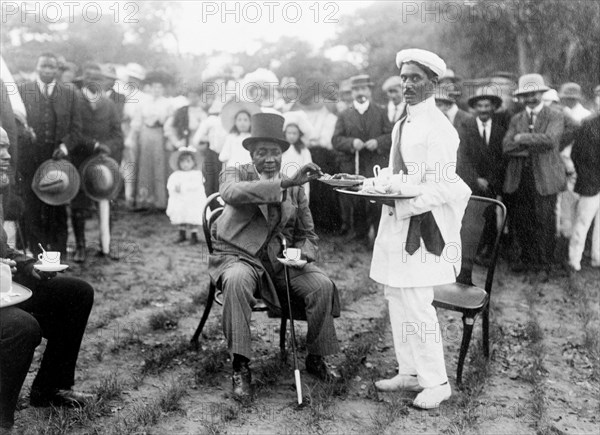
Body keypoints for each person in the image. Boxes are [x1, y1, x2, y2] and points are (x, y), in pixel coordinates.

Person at [208, 113, 340, 400]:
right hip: (239, 256)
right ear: (250, 154)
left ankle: (316, 356)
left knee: (322, 286)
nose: (269, 159)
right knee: (237, 282)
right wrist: (283, 185)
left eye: (275, 153)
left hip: (280, 262)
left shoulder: (294, 185)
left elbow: (309, 233)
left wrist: (303, 254)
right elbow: (229, 193)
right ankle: (240, 366)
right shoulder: (235, 172)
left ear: (283, 153)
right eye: (261, 153)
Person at [370, 49, 471, 409]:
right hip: (398, 222)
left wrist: (405, 201)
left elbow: (445, 185)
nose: (408, 84)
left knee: (417, 302)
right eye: (405, 77)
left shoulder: (440, 129)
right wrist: (379, 187)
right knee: (396, 296)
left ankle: (437, 382)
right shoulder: (402, 123)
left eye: (416, 78)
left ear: (434, 83)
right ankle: (410, 370)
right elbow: (401, 174)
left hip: (425, 228)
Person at [0, 127, 95, 432]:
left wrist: (30, 265)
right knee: (22, 326)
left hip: (5, 289)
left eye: (7, 149)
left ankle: (51, 389)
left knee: (75, 292)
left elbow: (3, 250)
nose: (7, 156)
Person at [18, 52, 82, 259]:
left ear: (57, 70)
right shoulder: (23, 90)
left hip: (58, 160)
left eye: (51, 67)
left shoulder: (69, 94)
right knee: (32, 206)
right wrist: (25, 134)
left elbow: (76, 129)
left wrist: (64, 147)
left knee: (57, 206)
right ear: (37, 67)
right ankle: (37, 255)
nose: (47, 70)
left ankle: (58, 254)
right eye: (43, 66)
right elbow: (15, 124)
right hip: (30, 159)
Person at [502, 73, 566, 273]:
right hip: (521, 177)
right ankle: (527, 259)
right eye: (526, 95)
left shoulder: (555, 115)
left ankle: (545, 260)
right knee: (523, 220)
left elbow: (550, 141)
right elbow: (506, 146)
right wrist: (531, 144)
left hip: (545, 177)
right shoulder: (517, 118)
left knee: (545, 220)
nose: (530, 98)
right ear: (521, 97)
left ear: (541, 93)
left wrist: (521, 137)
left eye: (534, 94)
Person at [71, 63, 123, 262]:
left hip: (103, 162)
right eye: (90, 78)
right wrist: (93, 145)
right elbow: (73, 133)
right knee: (79, 206)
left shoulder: (109, 105)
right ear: (83, 80)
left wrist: (107, 147)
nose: (94, 82)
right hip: (80, 159)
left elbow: (118, 134)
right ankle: (80, 247)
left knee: (105, 201)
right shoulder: (75, 101)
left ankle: (106, 246)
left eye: (98, 79)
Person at [332, 74, 393, 243]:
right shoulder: (344, 115)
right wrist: (352, 142)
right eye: (356, 89)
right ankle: (360, 235)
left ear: (370, 91)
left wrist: (378, 141)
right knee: (357, 200)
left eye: (363, 88)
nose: (360, 92)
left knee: (376, 200)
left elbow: (391, 136)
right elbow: (336, 140)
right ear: (352, 93)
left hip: (375, 165)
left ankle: (379, 237)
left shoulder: (381, 112)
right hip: (354, 165)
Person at [457, 87, 507, 265]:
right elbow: (462, 157)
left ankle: (488, 252)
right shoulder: (465, 126)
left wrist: (491, 180)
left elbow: (502, 159)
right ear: (475, 108)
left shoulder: (501, 129)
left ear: (493, 107)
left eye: (487, 105)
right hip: (471, 181)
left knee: (491, 215)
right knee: (471, 216)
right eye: (480, 105)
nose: (484, 109)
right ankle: (469, 254)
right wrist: (476, 178)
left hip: (492, 183)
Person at [126, 71, 173, 211]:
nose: (156, 90)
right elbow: (137, 121)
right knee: (144, 165)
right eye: (154, 87)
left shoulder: (167, 104)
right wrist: (131, 137)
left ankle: (160, 201)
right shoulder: (143, 102)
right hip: (145, 134)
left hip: (159, 133)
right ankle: (144, 200)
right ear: (150, 88)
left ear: (163, 89)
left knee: (159, 165)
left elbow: (170, 122)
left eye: (159, 87)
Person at [569, 114, 600, 271]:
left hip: (593, 181)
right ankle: (574, 260)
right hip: (591, 183)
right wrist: (587, 176)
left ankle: (598, 258)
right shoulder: (589, 125)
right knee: (582, 223)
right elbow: (576, 154)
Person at [166, 147, 207, 245]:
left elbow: (197, 185)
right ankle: (182, 235)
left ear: (193, 162)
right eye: (182, 162)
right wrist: (174, 187)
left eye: (188, 161)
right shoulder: (176, 174)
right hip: (181, 200)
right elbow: (170, 184)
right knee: (181, 216)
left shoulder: (196, 174)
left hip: (192, 200)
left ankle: (194, 236)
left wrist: (184, 187)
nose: (185, 164)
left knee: (192, 217)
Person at [164, 84, 208, 150]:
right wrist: (176, 142)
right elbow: (169, 127)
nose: (193, 99)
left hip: (198, 145)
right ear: (187, 98)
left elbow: (206, 132)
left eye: (195, 96)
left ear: (199, 97)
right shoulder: (181, 111)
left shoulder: (204, 113)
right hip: (182, 143)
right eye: (191, 97)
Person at [282, 122, 313, 202]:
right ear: (285, 134)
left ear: (299, 135)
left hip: (300, 183)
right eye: (289, 133)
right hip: (284, 183)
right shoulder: (281, 150)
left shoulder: (304, 151)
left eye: (294, 133)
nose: (291, 136)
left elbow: (308, 168)